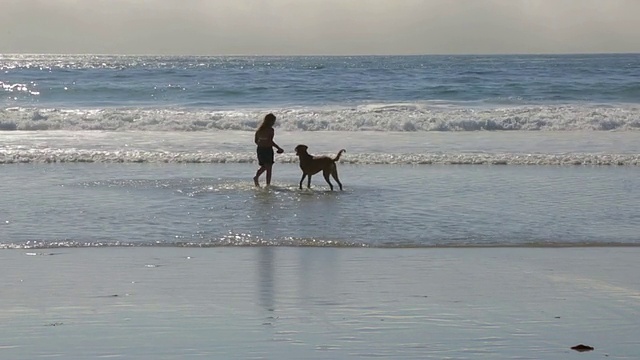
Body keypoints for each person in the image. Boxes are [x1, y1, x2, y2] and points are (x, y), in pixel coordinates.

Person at [253, 113, 284, 187]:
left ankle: (257, 178)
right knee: (268, 168)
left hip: (260, 149)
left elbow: (256, 141)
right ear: (270, 121)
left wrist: (262, 144)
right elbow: (270, 141)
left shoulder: (259, 130)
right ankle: (267, 184)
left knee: (265, 167)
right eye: (273, 121)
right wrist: (278, 148)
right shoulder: (270, 130)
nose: (273, 123)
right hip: (267, 150)